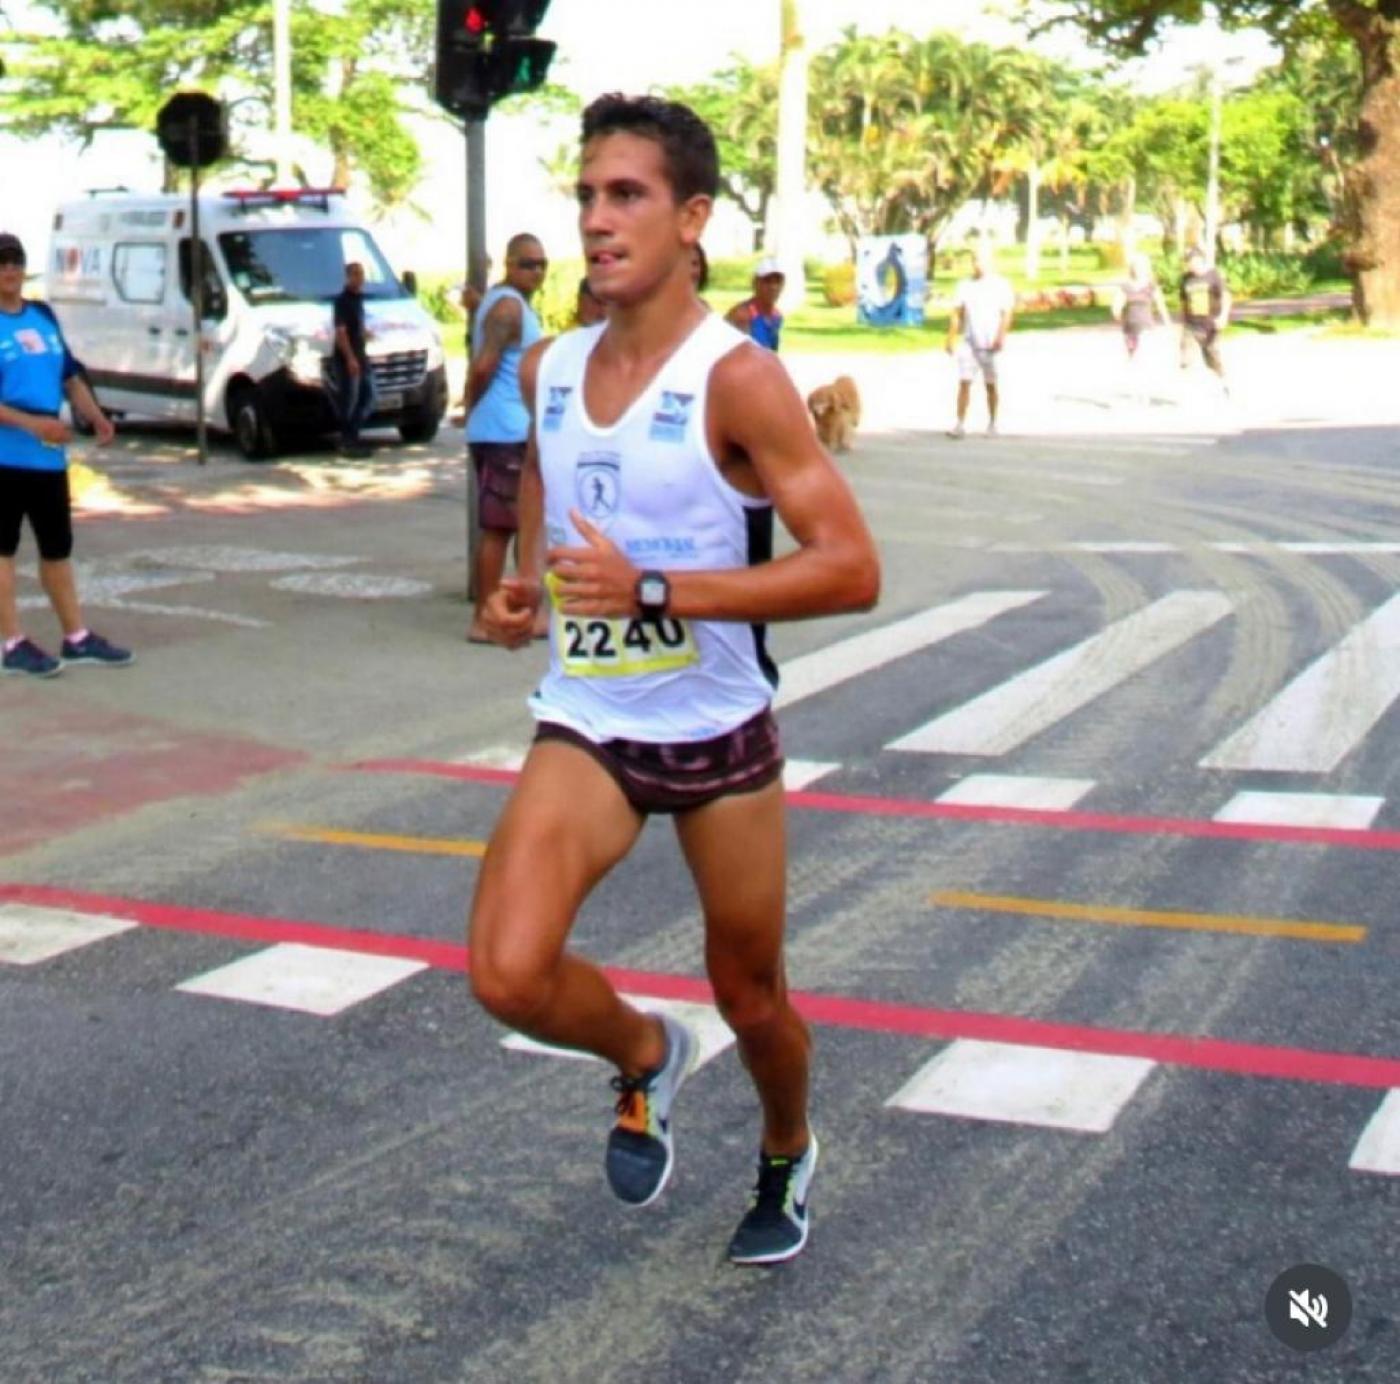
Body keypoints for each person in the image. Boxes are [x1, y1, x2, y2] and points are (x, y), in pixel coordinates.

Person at [469, 93, 879, 1266]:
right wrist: (516, 605)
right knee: (505, 971)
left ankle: (787, 1142)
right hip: (589, 724)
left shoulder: (736, 380)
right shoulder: (549, 368)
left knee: (751, 996)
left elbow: (850, 570)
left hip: (716, 732)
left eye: (627, 196)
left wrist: (654, 590)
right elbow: (553, 553)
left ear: (690, 218)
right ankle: (646, 1052)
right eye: (588, 196)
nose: (599, 222)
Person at [0, 231, 132, 677]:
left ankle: (76, 637)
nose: (9, 270)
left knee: (57, 549)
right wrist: (34, 424)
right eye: (1, 263)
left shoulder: (41, 315)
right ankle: (12, 642)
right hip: (6, 455)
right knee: (3, 551)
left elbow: (69, 375)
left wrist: (95, 416)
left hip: (47, 458)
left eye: (16, 261)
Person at [464, 234, 547, 643]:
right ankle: (483, 616)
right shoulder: (509, 306)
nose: (537, 271)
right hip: (503, 430)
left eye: (542, 264)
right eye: (528, 263)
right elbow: (484, 366)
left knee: (522, 521)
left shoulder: (504, 303)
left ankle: (517, 609)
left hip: (513, 428)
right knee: (499, 527)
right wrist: (469, 406)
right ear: (510, 264)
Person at [946, 241, 1015, 438]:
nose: (979, 264)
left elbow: (1007, 313)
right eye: (976, 260)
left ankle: (992, 423)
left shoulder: (1000, 286)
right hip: (969, 341)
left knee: (991, 384)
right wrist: (951, 337)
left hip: (989, 342)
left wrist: (1001, 336)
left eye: (982, 260)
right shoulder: (965, 286)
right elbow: (957, 313)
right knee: (964, 382)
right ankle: (959, 423)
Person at [1111, 251, 1170, 400]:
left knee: (1142, 357)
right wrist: (1117, 313)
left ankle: (1145, 393)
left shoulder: (1151, 285)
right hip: (1130, 327)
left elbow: (1160, 304)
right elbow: (1117, 304)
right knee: (1132, 359)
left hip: (1146, 327)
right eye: (1136, 266)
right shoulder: (1125, 286)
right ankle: (1136, 391)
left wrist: (1167, 321)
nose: (1139, 269)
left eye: (1142, 267)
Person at [331, 261, 376, 457]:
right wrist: (350, 359)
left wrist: (365, 333)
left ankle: (353, 435)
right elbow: (341, 332)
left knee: (370, 396)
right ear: (348, 277)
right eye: (355, 274)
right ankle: (347, 440)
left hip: (361, 355)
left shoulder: (359, 300)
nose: (360, 278)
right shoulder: (342, 301)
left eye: (361, 274)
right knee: (350, 399)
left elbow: (355, 326)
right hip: (348, 359)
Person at [1179, 246, 1232, 393]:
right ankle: (1186, 389)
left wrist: (1223, 316)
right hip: (1191, 324)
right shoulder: (1185, 279)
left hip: (1211, 324)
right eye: (1188, 261)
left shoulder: (1213, 275)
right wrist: (1182, 321)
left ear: (1201, 260)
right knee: (1185, 355)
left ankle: (1224, 381)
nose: (1191, 264)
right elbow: (1183, 302)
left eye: (1193, 260)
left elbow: (1226, 296)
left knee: (1211, 356)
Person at [725, 255, 784, 351]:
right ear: (755, 283)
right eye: (767, 281)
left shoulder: (777, 316)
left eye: (777, 281)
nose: (773, 287)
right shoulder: (742, 315)